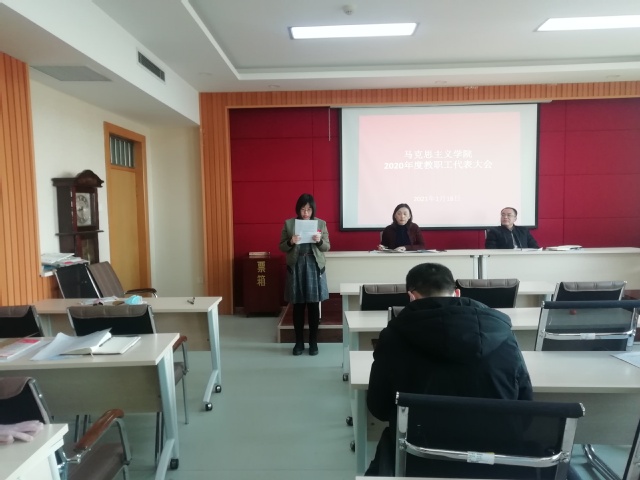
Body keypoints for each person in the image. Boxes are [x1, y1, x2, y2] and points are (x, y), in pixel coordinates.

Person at [365, 262, 532, 476]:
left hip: (419, 458)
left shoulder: (392, 337)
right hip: (496, 459)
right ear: (457, 293)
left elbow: (378, 407)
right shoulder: (502, 332)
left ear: (411, 297)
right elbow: (524, 406)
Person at [279, 193, 330, 356]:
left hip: (314, 265)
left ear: (313, 209)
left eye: (309, 209)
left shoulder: (321, 223)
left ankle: (313, 342)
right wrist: (291, 241)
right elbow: (282, 247)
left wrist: (319, 240)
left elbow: (327, 247)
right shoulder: (289, 224)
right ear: (298, 210)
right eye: (303, 209)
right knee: (298, 306)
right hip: (297, 265)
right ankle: (299, 342)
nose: (306, 213)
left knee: (314, 306)